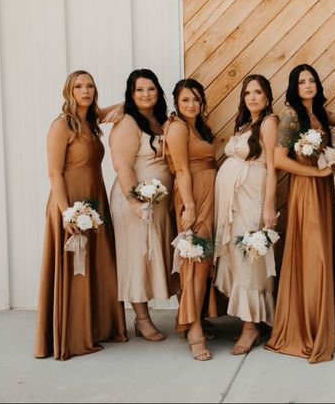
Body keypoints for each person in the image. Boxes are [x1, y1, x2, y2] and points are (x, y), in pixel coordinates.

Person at [34, 70, 127, 360]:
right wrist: (66, 213)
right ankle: (73, 334)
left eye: (89, 86)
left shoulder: (89, 121)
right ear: (69, 91)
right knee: (76, 265)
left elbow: (111, 110)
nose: (85, 90)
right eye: (78, 86)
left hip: (95, 198)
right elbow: (53, 171)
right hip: (71, 203)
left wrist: (126, 106)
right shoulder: (62, 125)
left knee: (100, 263)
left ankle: (98, 327)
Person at [265, 64, 335, 363]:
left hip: (323, 191)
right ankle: (307, 326)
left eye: (312, 81)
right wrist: (317, 174)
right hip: (307, 189)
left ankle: (324, 322)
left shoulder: (317, 114)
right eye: (302, 82)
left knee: (323, 251)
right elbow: (279, 159)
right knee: (314, 255)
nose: (308, 85)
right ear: (294, 87)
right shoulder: (291, 115)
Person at [109, 69, 176, 342]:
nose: (146, 94)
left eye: (150, 89)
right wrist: (135, 201)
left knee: (154, 257)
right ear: (131, 94)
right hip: (134, 203)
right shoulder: (127, 122)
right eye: (139, 90)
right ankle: (142, 319)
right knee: (136, 258)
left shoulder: (161, 120)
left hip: (158, 204)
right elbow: (122, 165)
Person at [214, 75, 279, 355]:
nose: (252, 97)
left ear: (267, 97)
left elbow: (274, 166)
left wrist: (269, 205)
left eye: (258, 92)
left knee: (250, 254)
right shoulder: (243, 124)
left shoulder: (269, 122)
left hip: (253, 198)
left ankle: (251, 327)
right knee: (236, 254)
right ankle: (247, 318)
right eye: (248, 93)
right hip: (233, 202)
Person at [163, 79, 218, 361]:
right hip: (192, 196)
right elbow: (182, 170)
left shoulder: (199, 126)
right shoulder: (177, 127)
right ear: (176, 102)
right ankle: (194, 329)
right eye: (185, 100)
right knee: (194, 262)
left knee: (203, 261)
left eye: (196, 99)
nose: (191, 104)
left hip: (208, 196)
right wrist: (190, 205)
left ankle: (193, 317)